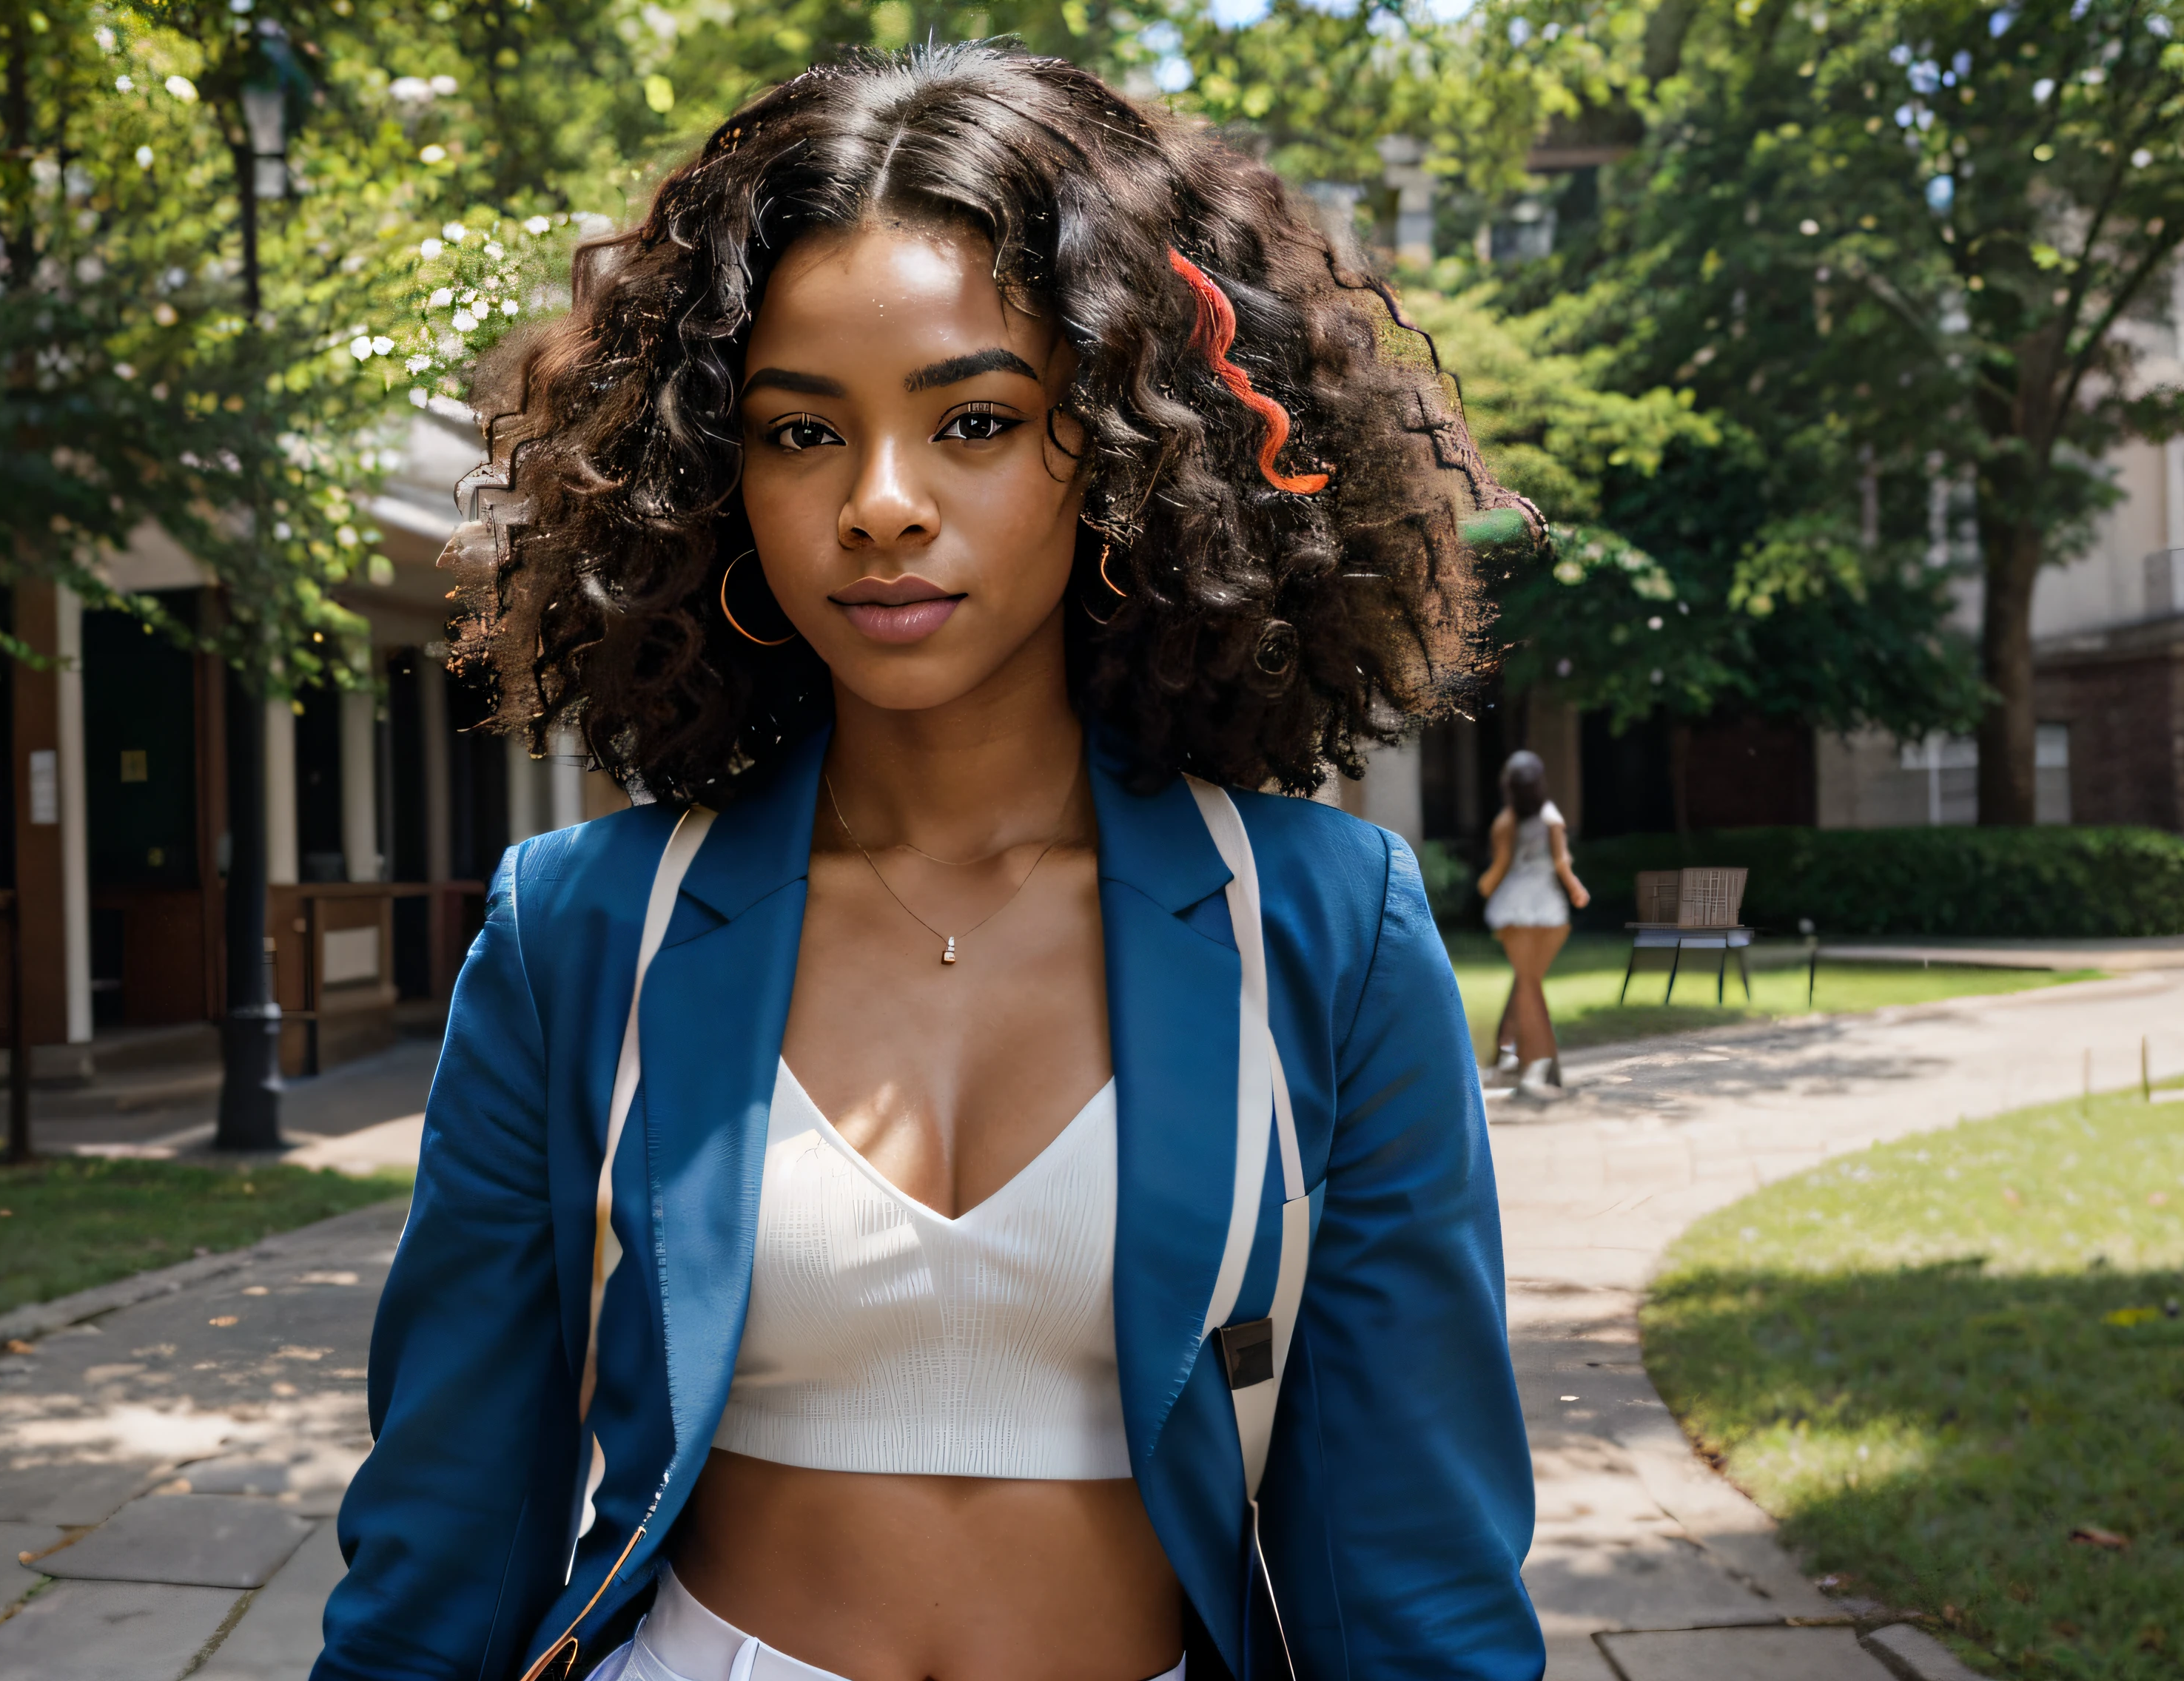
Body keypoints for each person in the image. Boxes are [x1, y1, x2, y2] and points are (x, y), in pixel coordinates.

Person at [316, 44, 1540, 1681]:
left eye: (973, 418)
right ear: (715, 481)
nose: (879, 505)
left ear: (1115, 446)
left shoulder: (1323, 928)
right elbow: (440, 1541)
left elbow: (1413, 1573)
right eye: (799, 433)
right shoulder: (577, 930)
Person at [1476, 749, 1590, 1093]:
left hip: (1514, 910)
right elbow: (1561, 863)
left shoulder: (1506, 821)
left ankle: (1519, 1057)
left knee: (1526, 982)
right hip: (1547, 911)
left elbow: (1501, 866)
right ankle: (1531, 1061)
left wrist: (1485, 886)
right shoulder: (1551, 817)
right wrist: (1575, 889)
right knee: (1528, 982)